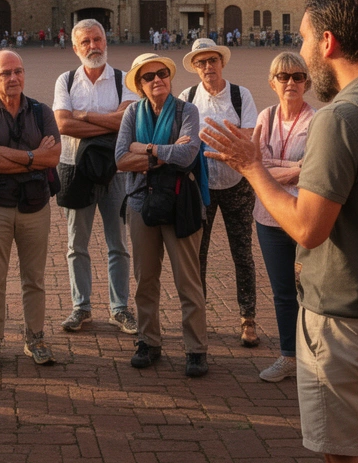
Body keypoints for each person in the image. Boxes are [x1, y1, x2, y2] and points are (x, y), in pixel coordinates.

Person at [202, 0, 358, 463]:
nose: (302, 50)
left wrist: (252, 166)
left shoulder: (339, 118)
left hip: (349, 323)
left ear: (328, 42)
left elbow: (308, 227)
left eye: (304, 39)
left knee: (347, 455)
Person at [114, 53, 209, 377]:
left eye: (162, 73)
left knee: (188, 281)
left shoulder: (187, 110)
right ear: (140, 85)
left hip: (181, 204)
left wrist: (147, 148)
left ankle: (196, 349)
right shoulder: (132, 113)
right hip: (141, 204)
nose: (158, 80)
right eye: (149, 76)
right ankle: (148, 341)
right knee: (145, 280)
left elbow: (188, 154)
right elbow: (120, 159)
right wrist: (164, 155)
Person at [0, 50, 61, 367]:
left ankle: (35, 337)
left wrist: (9, 154)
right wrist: (33, 157)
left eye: (18, 71)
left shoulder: (41, 111)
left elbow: (53, 157)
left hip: (35, 205)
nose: (13, 78)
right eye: (6, 73)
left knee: (34, 279)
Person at [52, 19, 136, 335]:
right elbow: (63, 124)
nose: (93, 46)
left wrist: (84, 116)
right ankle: (81, 307)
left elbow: (127, 122)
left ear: (106, 41)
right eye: (86, 42)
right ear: (75, 48)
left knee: (119, 244)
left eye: (97, 39)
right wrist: (109, 124)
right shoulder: (65, 80)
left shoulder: (123, 79)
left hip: (116, 171)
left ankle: (120, 308)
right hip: (75, 170)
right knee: (77, 244)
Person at [179, 37, 260, 347]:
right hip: (202, 186)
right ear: (195, 68)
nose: (208, 67)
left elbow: (248, 137)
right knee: (198, 255)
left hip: (238, 184)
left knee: (242, 253)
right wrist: (226, 137)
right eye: (201, 63)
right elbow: (182, 139)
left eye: (212, 60)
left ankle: (248, 318)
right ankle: (198, 316)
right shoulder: (187, 97)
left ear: (221, 62)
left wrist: (209, 141)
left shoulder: (240, 95)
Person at [250, 52, 316, 384]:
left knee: (312, 289)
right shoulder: (266, 116)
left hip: (304, 215)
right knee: (283, 291)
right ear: (272, 82)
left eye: (298, 76)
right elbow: (256, 164)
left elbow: (314, 170)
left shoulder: (317, 121)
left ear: (307, 82)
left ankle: (315, 356)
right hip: (269, 216)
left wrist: (273, 168)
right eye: (283, 76)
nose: (291, 82)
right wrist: (294, 168)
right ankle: (289, 355)